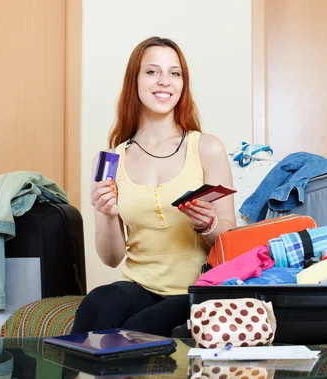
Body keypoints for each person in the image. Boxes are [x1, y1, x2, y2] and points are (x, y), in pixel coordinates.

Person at [72, 36, 236, 336]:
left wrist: (207, 224)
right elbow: (111, 258)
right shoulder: (109, 160)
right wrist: (107, 214)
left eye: (175, 73)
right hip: (140, 285)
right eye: (152, 71)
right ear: (134, 80)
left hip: (197, 289)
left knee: (137, 330)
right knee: (98, 303)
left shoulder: (207, 148)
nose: (165, 81)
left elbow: (229, 240)